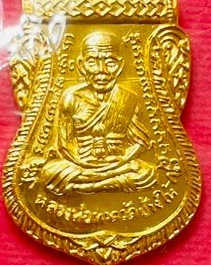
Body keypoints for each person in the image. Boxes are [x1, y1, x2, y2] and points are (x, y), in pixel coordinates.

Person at [39, 30, 156, 196]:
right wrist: (89, 165)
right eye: (92, 62)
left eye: (110, 62)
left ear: (120, 66)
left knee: (147, 173)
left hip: (117, 163)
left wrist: (122, 160)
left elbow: (140, 142)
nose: (102, 70)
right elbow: (63, 146)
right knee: (48, 173)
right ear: (81, 65)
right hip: (81, 164)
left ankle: (86, 187)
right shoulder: (72, 98)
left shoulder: (129, 98)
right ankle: (105, 183)